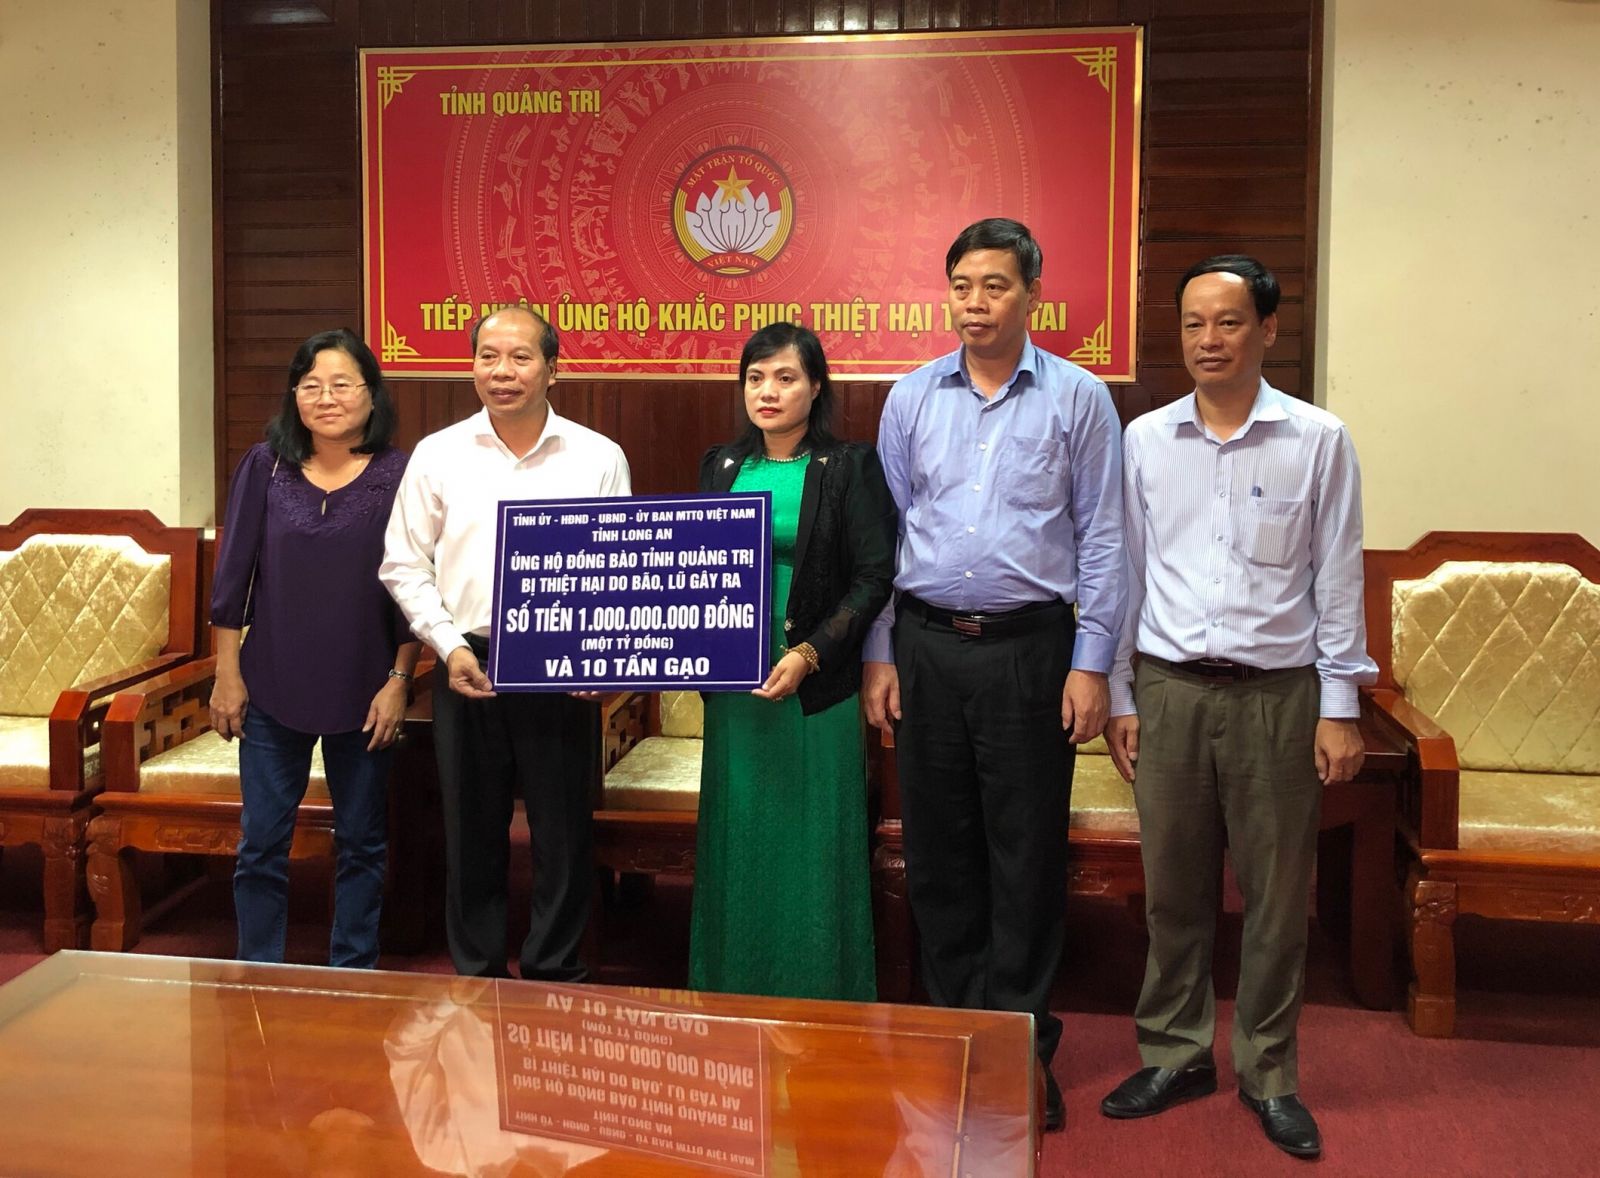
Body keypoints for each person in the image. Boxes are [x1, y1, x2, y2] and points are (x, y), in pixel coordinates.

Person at [1098, 255, 1377, 1159]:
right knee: (1173, 894)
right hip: (1172, 693)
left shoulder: (1318, 438)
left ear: (1267, 330)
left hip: (1278, 699)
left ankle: (1269, 1072)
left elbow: (1336, 578)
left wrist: (1340, 706)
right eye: (1191, 324)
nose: (1207, 341)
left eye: (1226, 322)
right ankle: (1176, 1054)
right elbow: (1127, 571)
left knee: (1273, 898)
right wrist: (1120, 692)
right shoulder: (1143, 439)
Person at [861, 218, 1126, 1131]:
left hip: (1030, 651)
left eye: (996, 286)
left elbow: (1103, 537)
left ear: (1032, 295)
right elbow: (886, 537)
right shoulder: (911, 396)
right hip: (928, 646)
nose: (976, 303)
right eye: (962, 286)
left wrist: (1093, 664)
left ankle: (1019, 1047)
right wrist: (879, 651)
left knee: (1024, 858)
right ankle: (953, 1039)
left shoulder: (1079, 399)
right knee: (937, 854)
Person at [380, 305, 630, 981]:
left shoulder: (598, 456)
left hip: (561, 661)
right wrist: (445, 647)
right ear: (472, 367)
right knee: (472, 832)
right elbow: (403, 563)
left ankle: (554, 970)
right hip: (469, 661)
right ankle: (478, 971)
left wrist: (599, 655)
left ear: (555, 367)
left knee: (562, 832)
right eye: (488, 356)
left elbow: (618, 567)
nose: (503, 371)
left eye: (520, 357)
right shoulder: (438, 455)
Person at [690, 322, 897, 1001]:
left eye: (784, 377)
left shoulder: (848, 466)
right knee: (741, 838)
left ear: (815, 387)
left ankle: (822, 996)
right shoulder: (720, 463)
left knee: (811, 847)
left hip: (816, 688)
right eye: (755, 378)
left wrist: (810, 653)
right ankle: (732, 989)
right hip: (736, 692)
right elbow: (691, 565)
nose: (768, 391)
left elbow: (873, 576)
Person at [209, 328, 420, 968]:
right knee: (261, 844)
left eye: (342, 384)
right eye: (311, 386)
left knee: (362, 843)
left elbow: (416, 585)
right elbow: (232, 578)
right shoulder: (264, 466)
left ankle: (352, 969)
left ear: (371, 393)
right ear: (294, 396)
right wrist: (227, 674)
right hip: (271, 682)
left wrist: (399, 679)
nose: (326, 398)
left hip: (367, 687)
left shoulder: (403, 473)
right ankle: (259, 970)